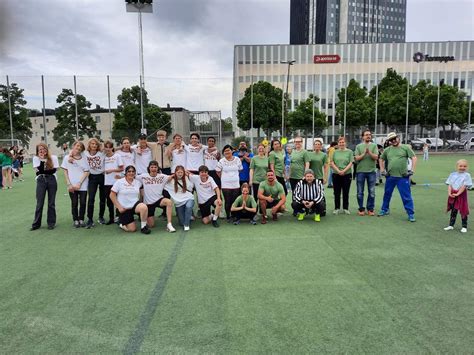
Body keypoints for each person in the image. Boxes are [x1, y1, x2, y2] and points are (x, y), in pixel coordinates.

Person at [378, 132, 417, 222]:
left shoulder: (405, 148)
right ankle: (385, 209)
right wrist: (382, 170)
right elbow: (381, 159)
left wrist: (412, 170)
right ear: (389, 141)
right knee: (387, 194)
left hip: (402, 177)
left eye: (394, 138)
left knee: (406, 196)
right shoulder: (387, 150)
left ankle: (410, 213)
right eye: (391, 140)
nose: (393, 141)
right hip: (390, 177)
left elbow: (414, 158)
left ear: (398, 138)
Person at [110, 165, 151, 234]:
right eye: (129, 171)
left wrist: (142, 201)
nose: (131, 173)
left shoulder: (137, 182)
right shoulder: (119, 182)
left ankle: (143, 227)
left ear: (135, 173)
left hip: (135, 206)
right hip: (124, 208)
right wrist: (119, 207)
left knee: (143, 207)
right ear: (125, 173)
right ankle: (120, 223)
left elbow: (142, 192)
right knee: (132, 229)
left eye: (133, 171)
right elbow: (112, 195)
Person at [137, 161, 176, 232]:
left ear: (158, 168)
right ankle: (142, 215)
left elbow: (172, 176)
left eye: (155, 167)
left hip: (159, 200)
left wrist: (183, 173)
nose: (153, 169)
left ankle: (169, 224)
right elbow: (131, 176)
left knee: (169, 202)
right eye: (152, 167)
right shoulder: (143, 176)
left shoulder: (162, 176)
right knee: (151, 225)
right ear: (149, 168)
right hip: (148, 203)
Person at [31, 143, 60, 230]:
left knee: (51, 203)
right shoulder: (36, 158)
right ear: (37, 151)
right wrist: (41, 159)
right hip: (41, 180)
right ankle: (36, 224)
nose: (42, 150)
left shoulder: (53, 157)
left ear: (46, 149)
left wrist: (44, 169)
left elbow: (54, 170)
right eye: (40, 149)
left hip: (52, 180)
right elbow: (38, 171)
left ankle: (51, 223)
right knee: (39, 203)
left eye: (43, 148)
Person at [61, 141, 90, 228]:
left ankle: (81, 219)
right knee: (74, 203)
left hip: (82, 184)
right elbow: (65, 171)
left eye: (80, 147)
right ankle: (75, 220)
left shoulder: (84, 157)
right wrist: (69, 184)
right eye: (77, 146)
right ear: (73, 146)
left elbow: (86, 171)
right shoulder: (67, 158)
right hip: (71, 185)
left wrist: (79, 183)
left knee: (83, 202)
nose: (78, 148)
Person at [354, 130, 379, 216]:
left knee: (372, 192)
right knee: (360, 192)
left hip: (371, 172)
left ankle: (370, 209)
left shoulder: (374, 146)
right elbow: (356, 158)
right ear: (363, 137)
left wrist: (369, 152)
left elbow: (376, 157)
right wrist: (364, 153)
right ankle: (361, 209)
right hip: (360, 172)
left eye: (369, 135)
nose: (368, 136)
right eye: (366, 135)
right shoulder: (358, 146)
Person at [83, 138, 106, 228]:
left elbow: (113, 149)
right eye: (92, 144)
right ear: (89, 145)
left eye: (95, 144)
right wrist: (70, 158)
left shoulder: (102, 153)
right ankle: (90, 219)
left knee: (102, 199)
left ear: (98, 146)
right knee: (91, 199)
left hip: (102, 176)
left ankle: (101, 217)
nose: (94, 145)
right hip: (92, 177)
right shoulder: (85, 153)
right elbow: (73, 153)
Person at [217, 144, 243, 222]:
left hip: (236, 184)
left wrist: (233, 176)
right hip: (225, 185)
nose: (227, 152)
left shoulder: (237, 159)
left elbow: (240, 169)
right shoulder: (221, 161)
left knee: (235, 200)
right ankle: (228, 216)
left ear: (232, 151)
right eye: (225, 151)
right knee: (227, 201)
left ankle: (234, 215)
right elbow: (218, 171)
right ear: (223, 153)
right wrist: (224, 178)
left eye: (228, 150)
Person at [444, 159, 472, 233]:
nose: (462, 167)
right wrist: (449, 193)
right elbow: (450, 184)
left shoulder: (467, 175)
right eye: (460, 166)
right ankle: (451, 225)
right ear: (457, 166)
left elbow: (464, 186)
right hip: (453, 194)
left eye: (464, 166)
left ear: (467, 167)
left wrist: (458, 193)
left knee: (463, 210)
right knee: (453, 210)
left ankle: (464, 226)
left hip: (461, 194)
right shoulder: (452, 174)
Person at [165, 165, 195, 231]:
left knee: (189, 206)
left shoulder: (187, 178)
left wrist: (189, 173)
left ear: (184, 172)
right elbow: (163, 182)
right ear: (175, 172)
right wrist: (171, 176)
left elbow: (196, 178)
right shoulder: (171, 180)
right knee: (181, 223)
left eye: (181, 172)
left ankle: (186, 225)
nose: (180, 174)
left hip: (188, 198)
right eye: (178, 172)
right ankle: (188, 216)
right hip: (179, 202)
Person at [330, 136, 354, 215]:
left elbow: (351, 163)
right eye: (340, 142)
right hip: (336, 174)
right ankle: (336, 208)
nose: (341, 144)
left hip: (347, 174)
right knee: (336, 192)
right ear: (338, 144)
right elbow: (332, 162)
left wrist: (343, 171)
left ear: (345, 143)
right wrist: (338, 171)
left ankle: (345, 208)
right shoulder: (334, 152)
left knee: (346, 192)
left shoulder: (350, 152)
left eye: (343, 142)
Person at [103, 141, 124, 225]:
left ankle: (118, 217)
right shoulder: (104, 157)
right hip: (107, 182)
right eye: (106, 147)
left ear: (112, 148)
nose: (108, 149)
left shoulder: (117, 156)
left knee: (118, 200)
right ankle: (111, 218)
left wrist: (111, 170)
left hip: (116, 182)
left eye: (109, 147)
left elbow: (122, 168)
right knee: (109, 201)